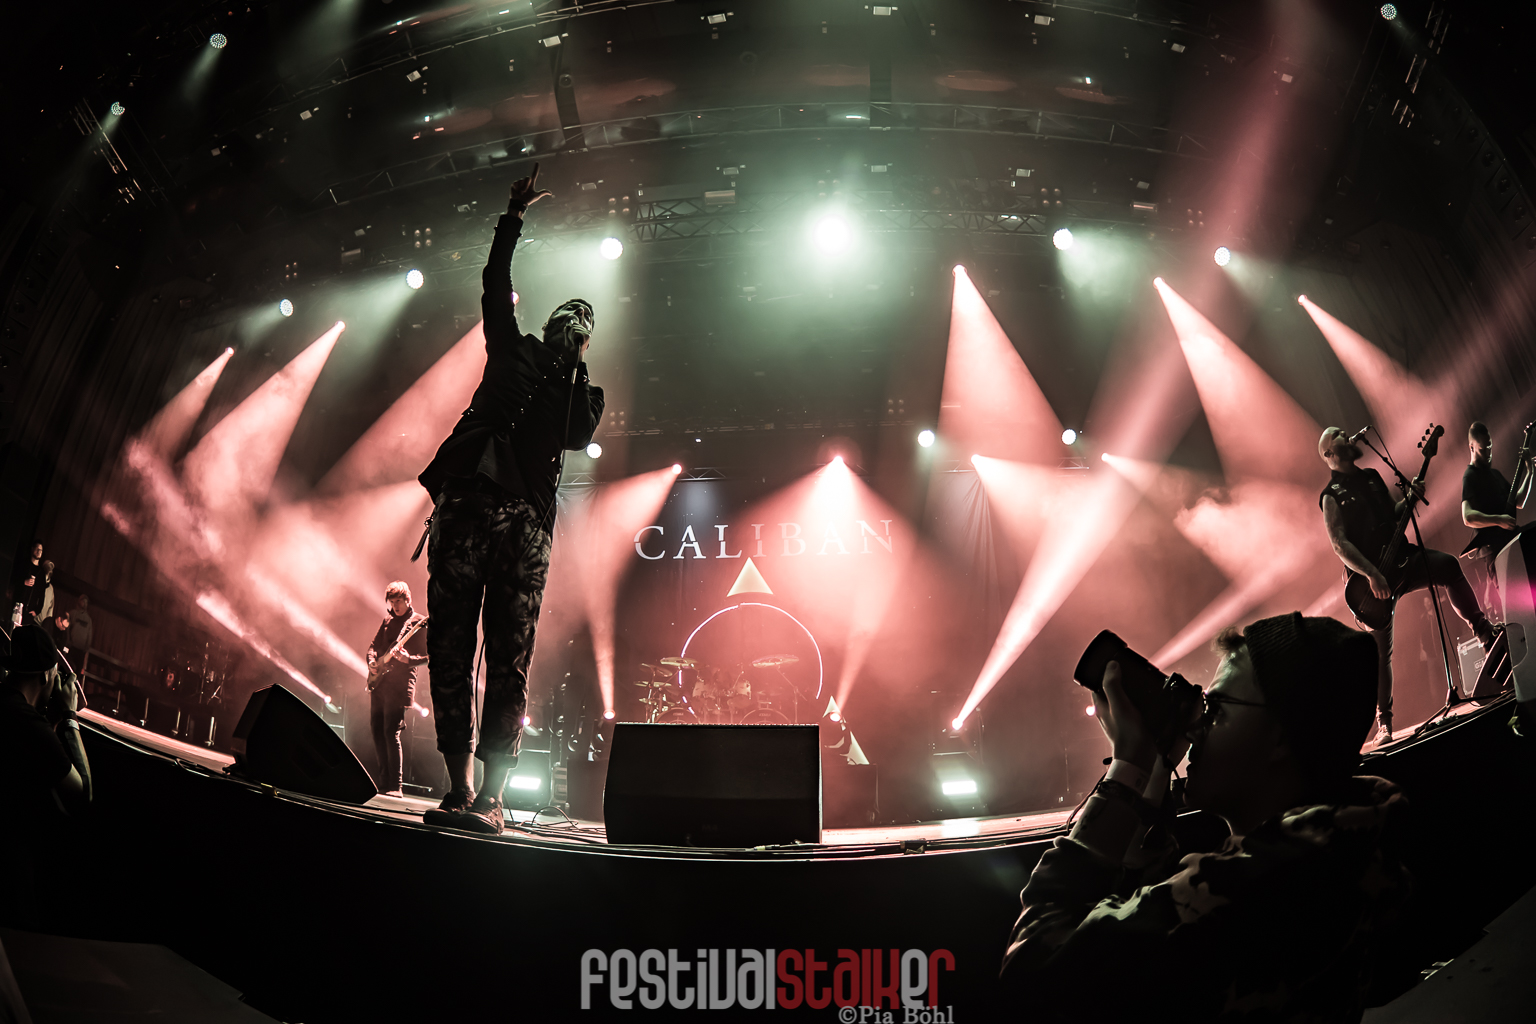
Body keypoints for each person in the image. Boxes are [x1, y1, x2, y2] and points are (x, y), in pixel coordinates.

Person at [1001, 613, 1410, 1022]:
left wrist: (1126, 772)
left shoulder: (1241, 894)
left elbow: (1034, 976)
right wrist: (1152, 780)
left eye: (1215, 710)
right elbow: (1144, 918)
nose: (1194, 728)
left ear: (1281, 737)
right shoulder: (1345, 847)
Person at [417, 164, 604, 834]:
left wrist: (577, 366)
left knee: (508, 657)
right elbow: (494, 283)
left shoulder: (582, 393)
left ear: (585, 340)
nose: (571, 323)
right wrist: (513, 218)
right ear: (548, 323)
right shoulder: (511, 347)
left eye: (582, 324)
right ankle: (457, 787)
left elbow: (576, 436)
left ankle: (493, 797)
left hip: (525, 524)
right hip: (467, 502)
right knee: (449, 644)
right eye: (566, 317)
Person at [1317, 426, 1497, 742]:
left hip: (1403, 559)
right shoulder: (1331, 495)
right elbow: (1339, 544)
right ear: (1329, 453)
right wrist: (1372, 574)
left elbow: (1393, 514)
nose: (1347, 435)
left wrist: (1410, 497)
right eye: (1338, 435)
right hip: (1371, 582)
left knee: (1449, 566)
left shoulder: (1372, 476)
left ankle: (1486, 636)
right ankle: (1384, 724)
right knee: (1381, 653)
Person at [0, 623, 93, 823]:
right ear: (45, 676)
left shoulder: (12, 707)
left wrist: (51, 722)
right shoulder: (28, 724)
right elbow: (82, 794)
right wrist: (70, 715)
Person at [365, 582, 429, 797]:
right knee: (377, 730)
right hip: (380, 683)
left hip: (400, 686)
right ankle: (384, 783)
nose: (395, 606)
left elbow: (429, 657)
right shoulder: (387, 620)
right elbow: (373, 646)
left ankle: (396, 785)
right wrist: (371, 661)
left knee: (390, 732)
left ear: (408, 600)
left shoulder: (418, 623)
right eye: (392, 602)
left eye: (398, 601)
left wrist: (408, 659)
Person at [1460, 420, 1533, 604]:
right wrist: (1499, 520)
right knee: (1513, 603)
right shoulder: (1470, 476)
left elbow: (1518, 502)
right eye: (1483, 449)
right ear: (1471, 447)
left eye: (1490, 447)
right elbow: (1467, 517)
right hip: (1495, 551)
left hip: (1512, 541)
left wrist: (1530, 473)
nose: (1488, 453)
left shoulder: (1496, 475)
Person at [9, 540, 44, 625]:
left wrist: (37, 610)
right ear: (32, 549)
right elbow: (13, 579)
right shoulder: (24, 565)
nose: (39, 551)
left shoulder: (41, 573)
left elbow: (42, 593)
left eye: (41, 550)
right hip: (18, 605)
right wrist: (24, 582)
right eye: (37, 549)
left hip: (29, 611)